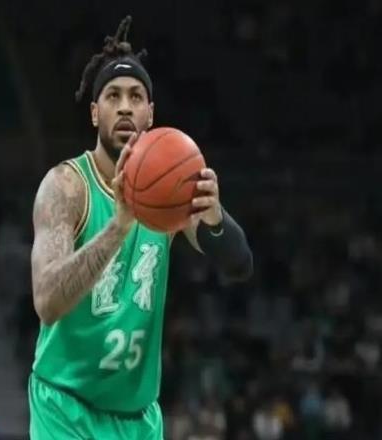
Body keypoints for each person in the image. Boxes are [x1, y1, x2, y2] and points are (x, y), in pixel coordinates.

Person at [28, 15, 253, 440]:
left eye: (136, 96)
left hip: (138, 418)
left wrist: (214, 217)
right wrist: (118, 227)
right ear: (95, 113)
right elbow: (47, 302)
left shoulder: (170, 188)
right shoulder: (66, 187)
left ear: (150, 114)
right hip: (65, 408)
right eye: (113, 96)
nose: (125, 106)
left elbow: (240, 265)